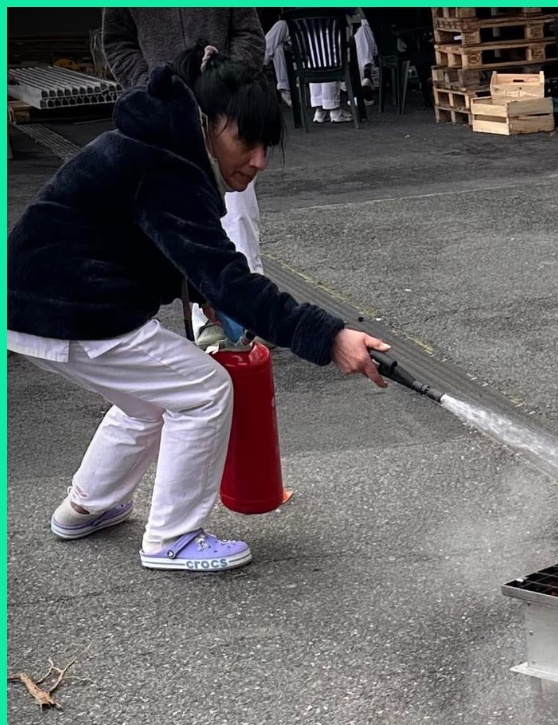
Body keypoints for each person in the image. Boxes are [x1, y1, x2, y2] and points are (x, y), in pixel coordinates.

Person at [7, 43, 390, 573]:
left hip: (36, 305)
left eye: (266, 147)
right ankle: (173, 538)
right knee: (206, 390)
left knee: (150, 397)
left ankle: (85, 507)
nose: (257, 160)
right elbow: (230, 278)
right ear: (209, 124)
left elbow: (176, 254)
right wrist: (327, 336)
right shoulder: (169, 168)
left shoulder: (158, 145)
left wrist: (205, 288)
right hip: (72, 309)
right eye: (247, 141)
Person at [102, 8, 268, 344]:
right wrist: (152, 83)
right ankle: (203, 318)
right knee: (179, 218)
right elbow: (118, 41)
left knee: (239, 214)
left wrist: (224, 77)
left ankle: (255, 310)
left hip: (224, 112)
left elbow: (250, 34)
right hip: (165, 115)